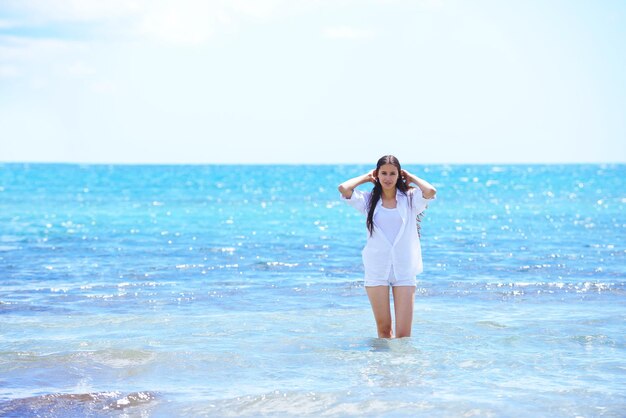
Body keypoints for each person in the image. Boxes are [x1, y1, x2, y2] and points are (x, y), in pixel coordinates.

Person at [338, 155, 437, 338]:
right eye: (383, 173)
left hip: (404, 271)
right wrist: (366, 177)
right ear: (377, 174)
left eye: (393, 173)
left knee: (403, 335)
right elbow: (344, 188)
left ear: (399, 175)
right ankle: (383, 366)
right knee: (384, 331)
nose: (388, 178)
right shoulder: (368, 201)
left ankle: (402, 366)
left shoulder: (410, 199)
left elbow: (430, 191)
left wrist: (412, 177)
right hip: (377, 269)